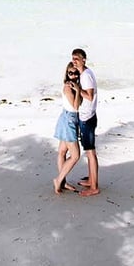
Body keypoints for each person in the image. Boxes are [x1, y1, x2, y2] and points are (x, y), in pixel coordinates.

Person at [71, 48, 99, 196]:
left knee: (90, 152)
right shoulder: (85, 74)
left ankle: (94, 187)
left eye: (77, 58)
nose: (74, 61)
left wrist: (77, 89)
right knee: (89, 152)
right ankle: (91, 180)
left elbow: (89, 96)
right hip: (88, 116)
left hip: (87, 118)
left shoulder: (86, 76)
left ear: (84, 60)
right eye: (73, 58)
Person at [53, 60, 82, 194]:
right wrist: (78, 90)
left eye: (76, 73)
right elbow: (76, 107)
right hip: (69, 119)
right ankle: (59, 180)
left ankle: (62, 182)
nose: (74, 76)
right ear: (67, 73)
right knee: (75, 155)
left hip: (67, 118)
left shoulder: (73, 86)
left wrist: (78, 89)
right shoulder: (68, 88)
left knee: (62, 151)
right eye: (71, 73)